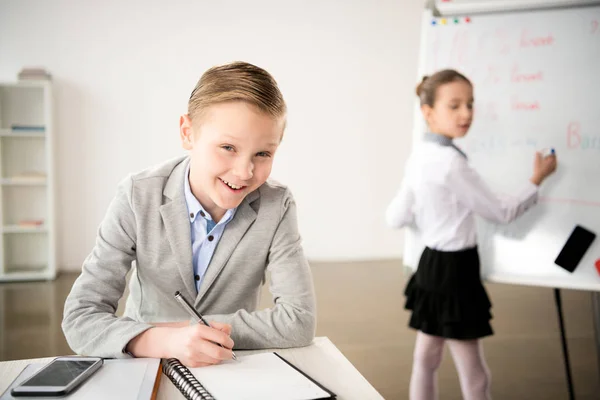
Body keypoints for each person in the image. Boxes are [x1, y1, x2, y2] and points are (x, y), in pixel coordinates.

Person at [62, 61, 316, 367]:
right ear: (187, 133)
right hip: (144, 360)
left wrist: (195, 334)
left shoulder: (278, 205)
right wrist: (164, 340)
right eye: (227, 147)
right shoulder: (137, 195)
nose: (245, 171)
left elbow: (299, 320)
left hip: (229, 364)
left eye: (263, 154)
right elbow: (80, 318)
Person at [386, 69, 557, 400]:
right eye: (455, 105)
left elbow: (396, 217)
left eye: (470, 104)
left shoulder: (420, 156)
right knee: (472, 369)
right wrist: (536, 180)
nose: (466, 113)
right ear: (428, 112)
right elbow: (501, 212)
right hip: (455, 270)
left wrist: (427, 213)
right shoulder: (451, 163)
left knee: (426, 359)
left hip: (430, 265)